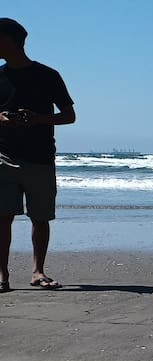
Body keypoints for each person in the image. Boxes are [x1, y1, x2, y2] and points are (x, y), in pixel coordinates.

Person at [0, 18, 75, 293]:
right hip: (3, 155)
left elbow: (69, 116)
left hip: (41, 157)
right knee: (2, 217)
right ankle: (2, 275)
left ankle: (37, 271)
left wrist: (37, 119)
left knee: (40, 218)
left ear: (8, 40)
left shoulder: (48, 75)